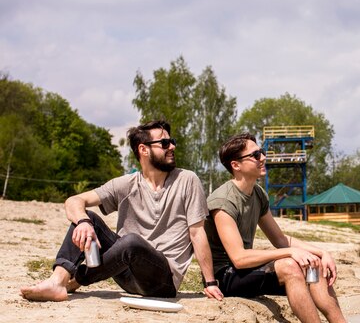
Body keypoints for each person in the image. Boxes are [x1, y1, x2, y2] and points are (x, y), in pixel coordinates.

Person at [20, 120, 223, 302]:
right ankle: (57, 281)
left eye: (172, 142)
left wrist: (210, 282)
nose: (172, 147)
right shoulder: (126, 184)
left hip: (162, 281)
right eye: (164, 143)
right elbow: (75, 200)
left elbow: (197, 233)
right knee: (89, 218)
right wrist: (83, 222)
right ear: (143, 150)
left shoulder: (187, 180)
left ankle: (78, 279)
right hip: (125, 274)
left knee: (132, 242)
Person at [204, 133, 347, 323]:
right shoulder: (223, 201)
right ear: (236, 165)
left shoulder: (258, 194)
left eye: (261, 152)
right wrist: (290, 253)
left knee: (314, 265)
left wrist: (322, 253)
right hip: (226, 276)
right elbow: (238, 259)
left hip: (248, 271)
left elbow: (280, 239)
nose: (263, 158)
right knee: (290, 267)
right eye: (255, 155)